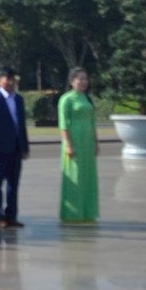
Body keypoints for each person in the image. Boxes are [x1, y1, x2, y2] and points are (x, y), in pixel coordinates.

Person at [0, 67, 29, 228]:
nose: (10, 82)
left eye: (13, 79)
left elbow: (22, 125)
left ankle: (11, 215)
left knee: (13, 185)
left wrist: (24, 147)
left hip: (16, 149)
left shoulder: (18, 99)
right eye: (7, 78)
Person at [59, 67, 99, 224]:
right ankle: (72, 213)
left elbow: (92, 121)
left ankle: (88, 212)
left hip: (87, 143)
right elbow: (63, 124)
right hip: (74, 141)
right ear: (71, 81)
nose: (83, 82)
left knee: (88, 177)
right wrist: (68, 145)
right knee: (75, 177)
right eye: (79, 79)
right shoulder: (66, 99)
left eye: (85, 79)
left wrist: (96, 142)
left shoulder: (87, 99)